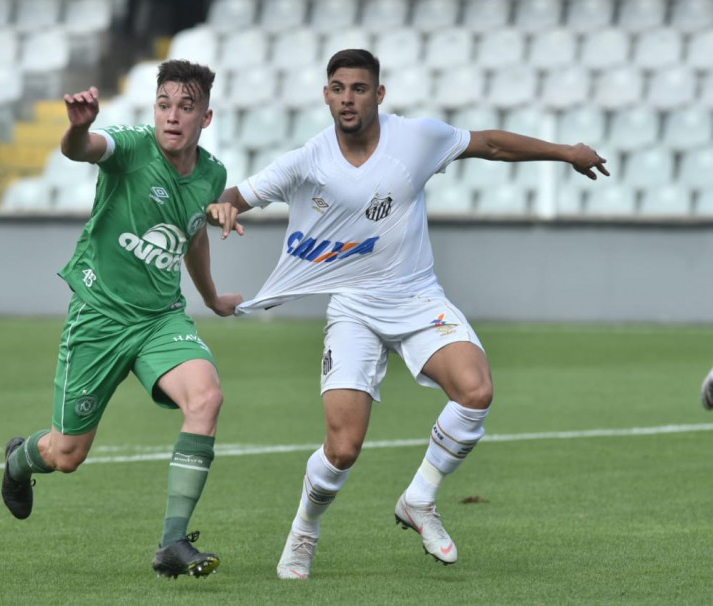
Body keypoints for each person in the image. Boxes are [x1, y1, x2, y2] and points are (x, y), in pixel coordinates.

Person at [208, 49, 610, 579]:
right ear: (325, 94)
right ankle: (304, 532)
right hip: (353, 309)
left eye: (358, 88)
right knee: (343, 448)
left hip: (418, 297)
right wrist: (224, 205)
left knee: (476, 391)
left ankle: (419, 498)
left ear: (379, 94)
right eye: (337, 88)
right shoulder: (309, 158)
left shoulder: (415, 139)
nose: (347, 98)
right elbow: (237, 194)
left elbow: (488, 144)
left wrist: (566, 152)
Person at [0, 59, 242, 579]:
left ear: (207, 117)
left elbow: (193, 235)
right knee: (66, 454)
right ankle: (20, 460)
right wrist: (78, 126)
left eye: (186, 107)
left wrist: (213, 296)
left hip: (160, 320)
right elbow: (82, 150)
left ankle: (172, 544)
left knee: (207, 397)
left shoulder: (213, 174)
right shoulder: (131, 148)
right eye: (164, 105)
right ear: (153, 110)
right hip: (100, 316)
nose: (173, 117)